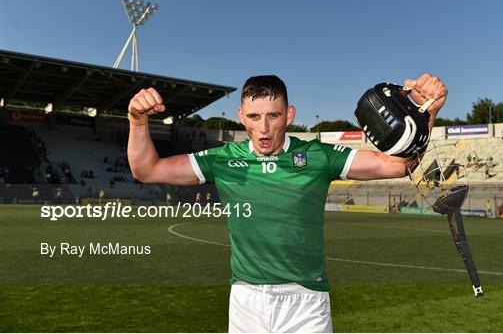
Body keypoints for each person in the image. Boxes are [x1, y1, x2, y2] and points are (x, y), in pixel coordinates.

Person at [127, 73, 448, 333]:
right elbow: (147, 169)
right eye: (254, 117)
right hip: (246, 299)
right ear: (241, 117)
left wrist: (427, 112)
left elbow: (397, 165)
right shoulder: (221, 159)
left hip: (307, 300)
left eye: (273, 116)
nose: (264, 128)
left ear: (289, 115)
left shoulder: (318, 156)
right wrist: (137, 121)